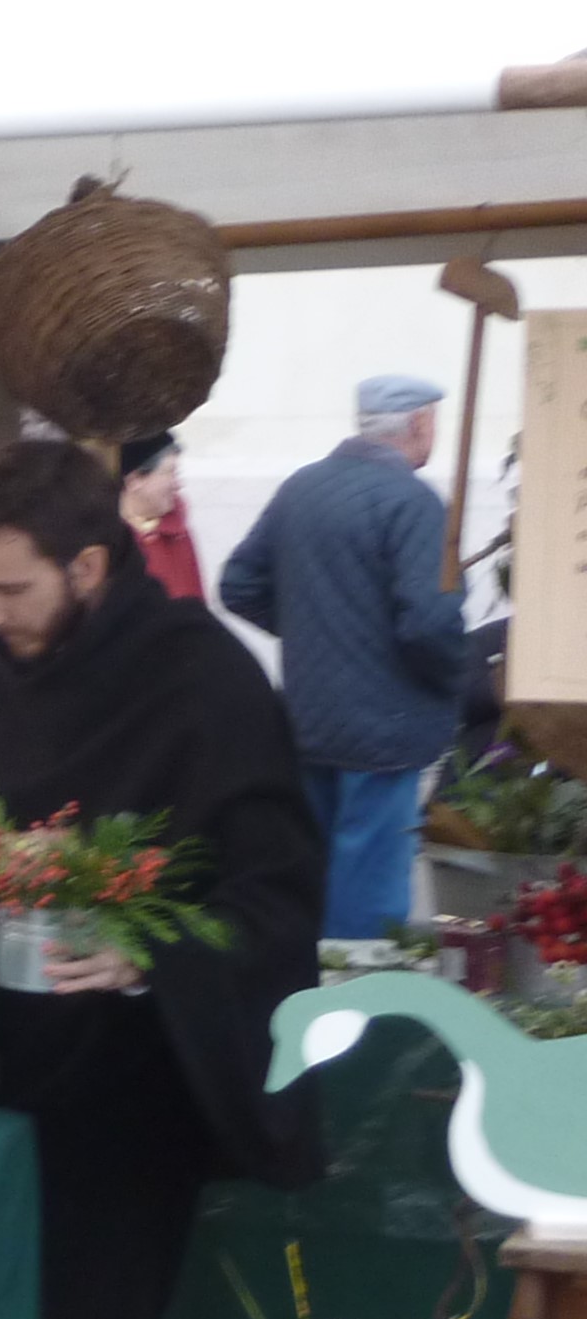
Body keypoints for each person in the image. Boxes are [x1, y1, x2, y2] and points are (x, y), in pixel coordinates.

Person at [0, 439, 322, 1319]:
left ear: (88, 566)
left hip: (130, 1098)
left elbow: (277, 893)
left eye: (11, 590)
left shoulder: (204, 679)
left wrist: (145, 952)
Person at [218, 376, 472, 939]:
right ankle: (358, 991)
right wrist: (454, 677)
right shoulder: (413, 502)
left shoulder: (301, 489)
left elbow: (239, 585)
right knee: (370, 894)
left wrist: (315, 634)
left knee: (313, 873)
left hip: (310, 719)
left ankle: (305, 984)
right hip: (385, 728)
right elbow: (431, 622)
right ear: (421, 424)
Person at [117, 430, 203, 602]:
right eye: (170, 472)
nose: (178, 485)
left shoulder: (177, 529)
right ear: (134, 480)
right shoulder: (112, 544)